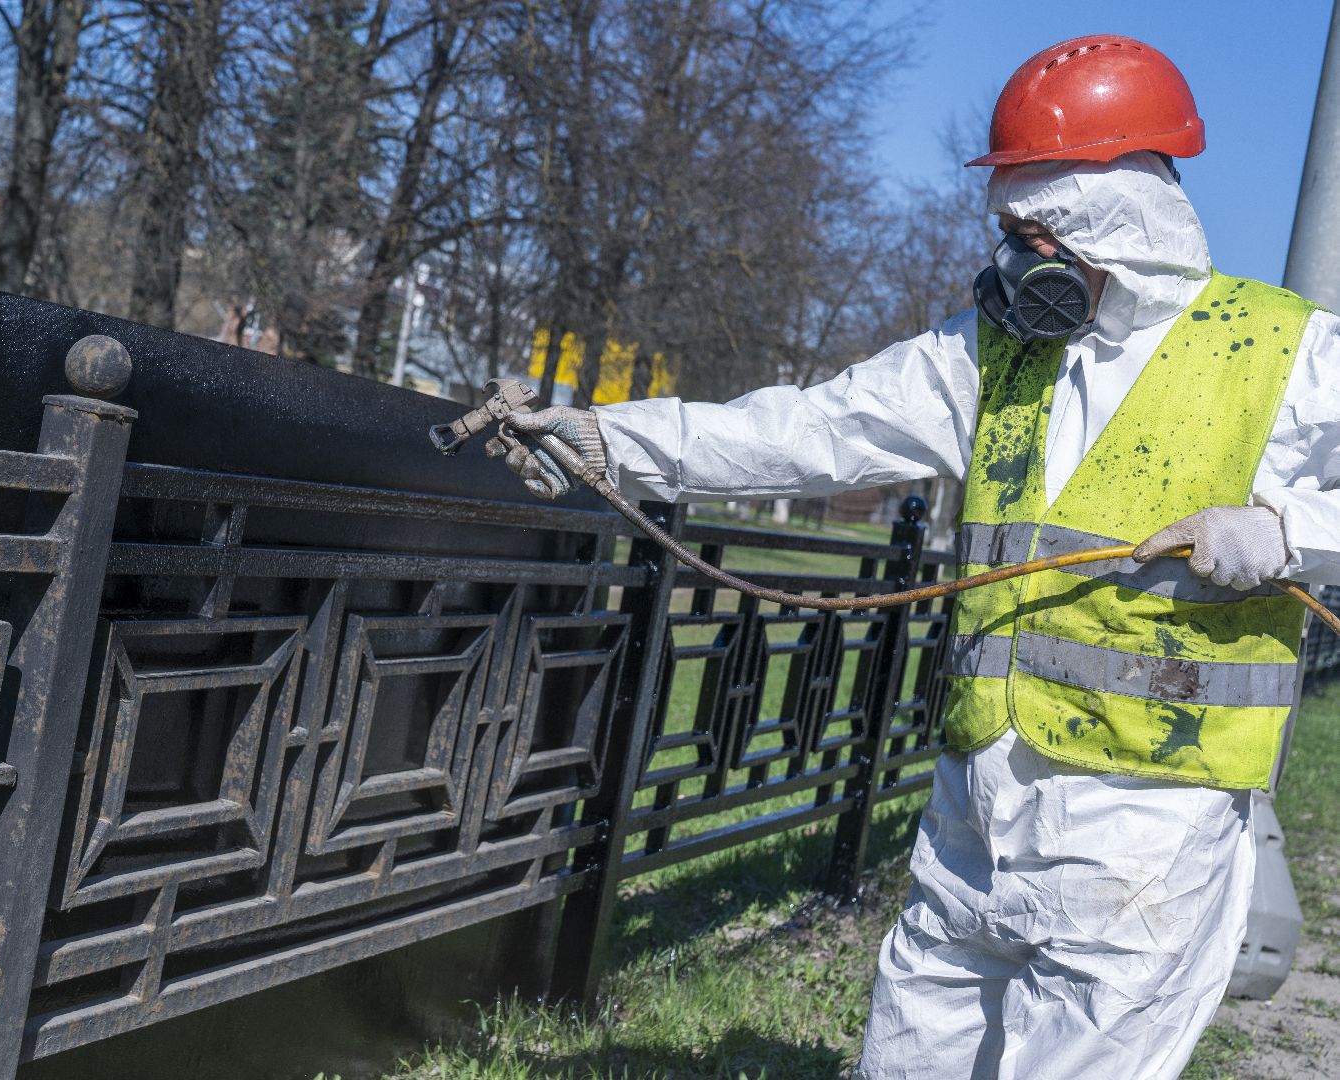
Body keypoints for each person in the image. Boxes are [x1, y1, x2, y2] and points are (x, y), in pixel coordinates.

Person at [496, 35, 1338, 1080]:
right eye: (1012, 229)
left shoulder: (1283, 352)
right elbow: (809, 430)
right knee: (909, 1055)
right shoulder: (992, 354)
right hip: (977, 796)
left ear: (1119, 213)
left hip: (1145, 818)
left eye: (1042, 229)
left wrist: (1280, 533)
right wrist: (611, 441)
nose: (1020, 259)